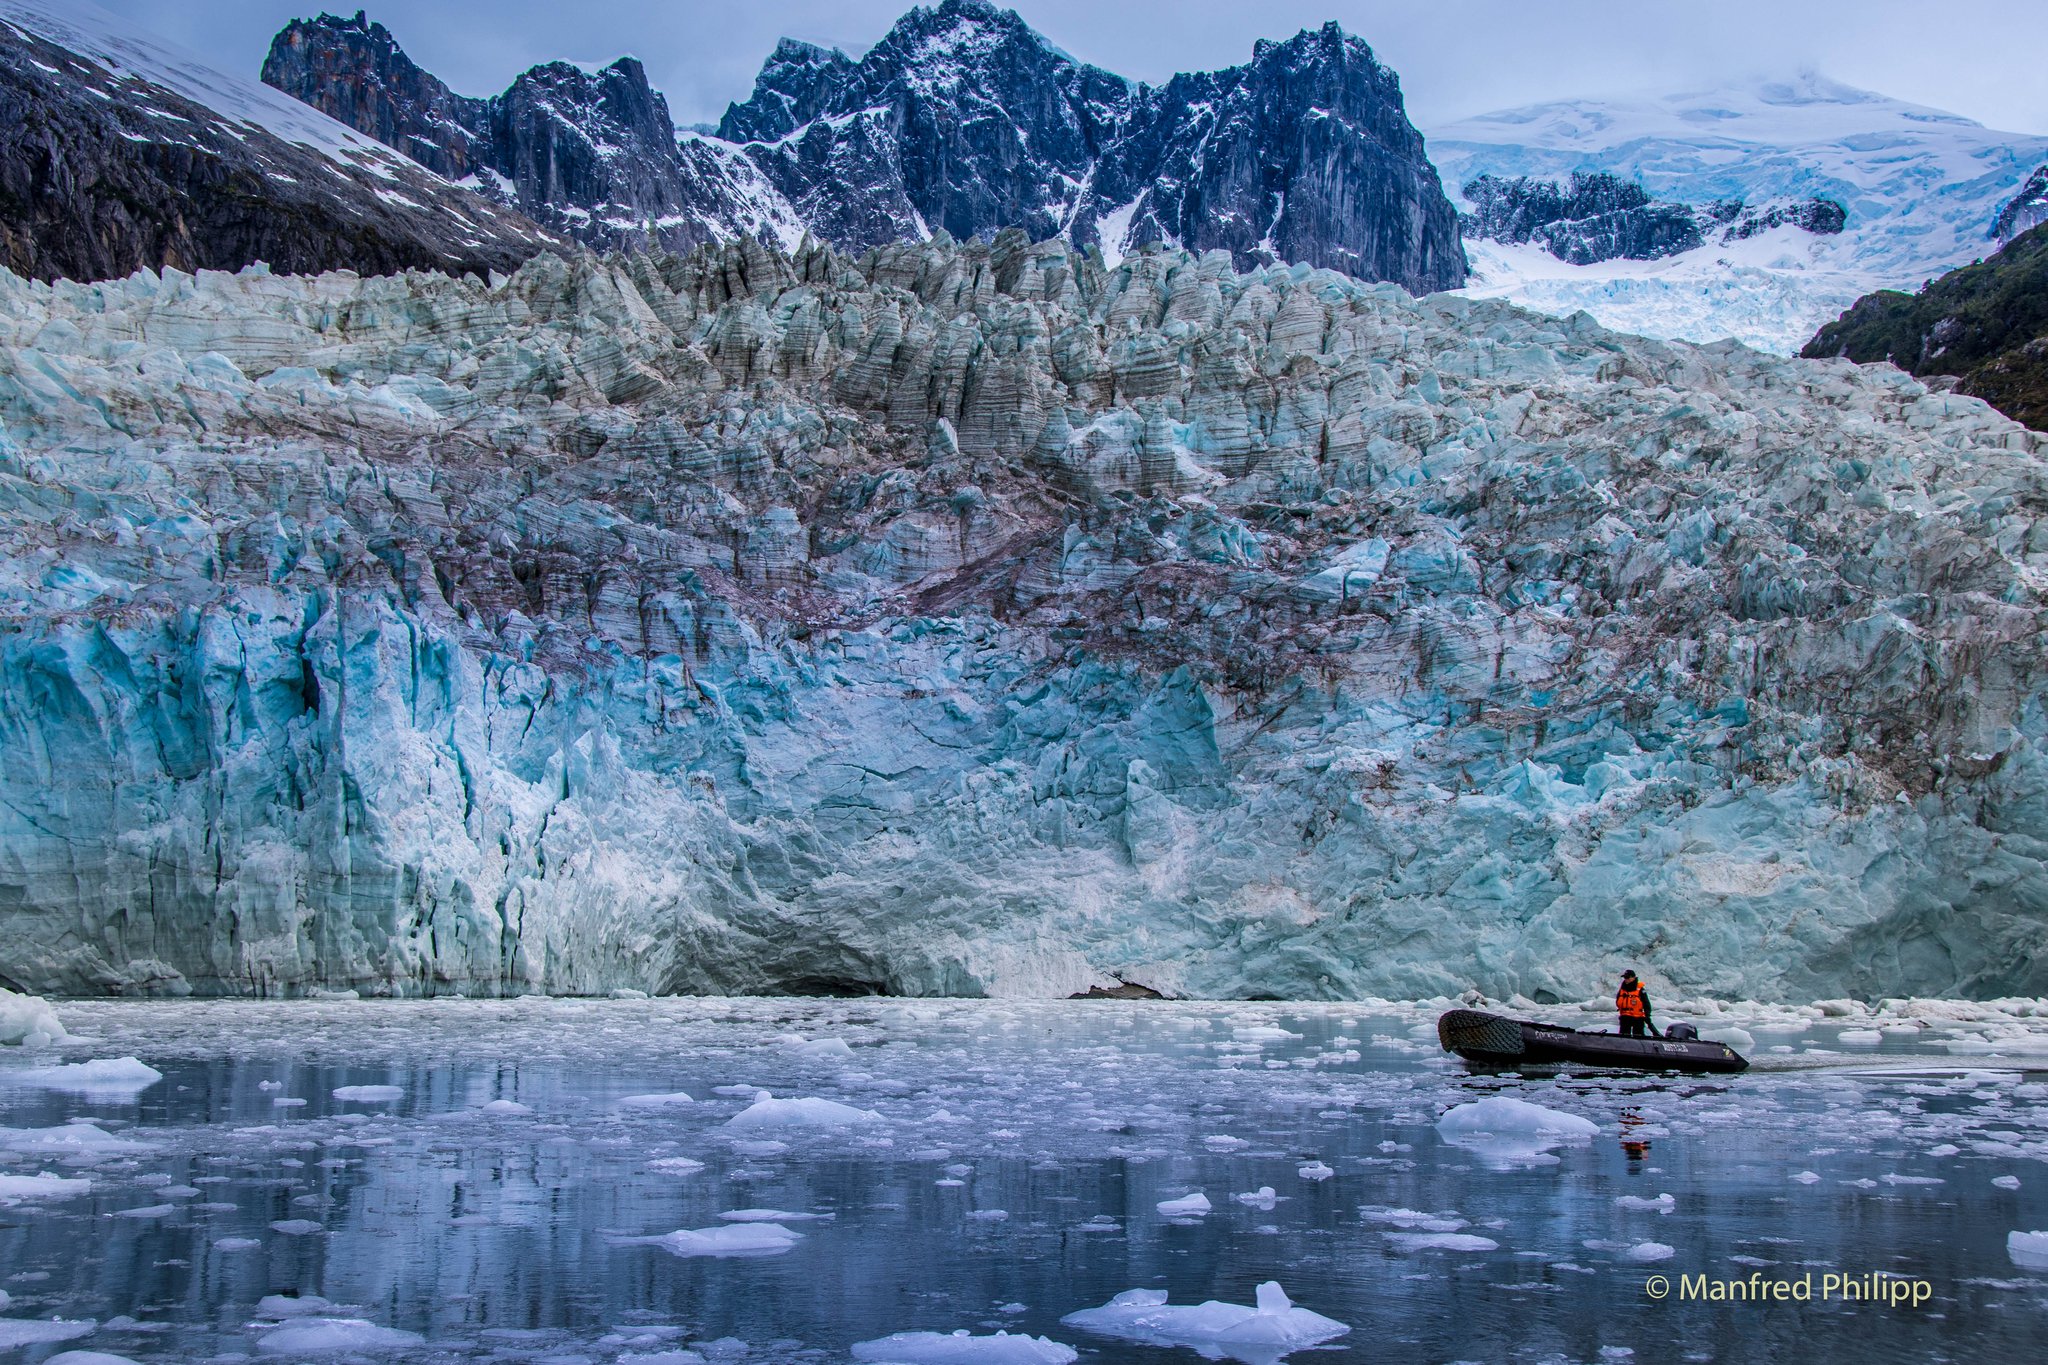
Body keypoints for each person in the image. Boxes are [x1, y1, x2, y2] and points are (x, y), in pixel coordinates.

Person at [1616, 970, 1658, 1038]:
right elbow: (1618, 1001)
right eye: (1625, 978)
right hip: (1625, 1016)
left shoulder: (1640, 990)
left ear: (1633, 978)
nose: (1626, 980)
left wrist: (1647, 1016)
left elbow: (1646, 1004)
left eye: (1628, 978)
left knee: (1638, 1035)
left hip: (1637, 1017)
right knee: (1623, 1036)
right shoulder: (1622, 990)